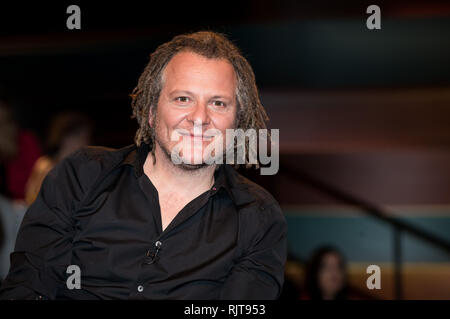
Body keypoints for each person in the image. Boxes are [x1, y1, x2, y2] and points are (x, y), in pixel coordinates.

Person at [0, 31, 287, 299]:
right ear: (151, 113)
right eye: (183, 99)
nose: (199, 118)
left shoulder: (258, 217)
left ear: (237, 123)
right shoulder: (81, 176)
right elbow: (29, 287)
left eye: (218, 103)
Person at [24, 111, 92, 206]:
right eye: (82, 137)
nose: (86, 142)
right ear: (68, 137)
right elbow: (32, 199)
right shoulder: (45, 165)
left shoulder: (80, 167)